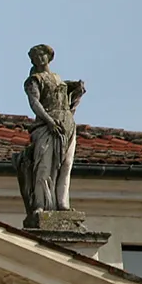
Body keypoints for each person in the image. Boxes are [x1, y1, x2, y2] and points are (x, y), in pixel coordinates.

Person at [17, 43, 85, 222]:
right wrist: (49, 121)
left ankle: (63, 204)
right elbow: (35, 103)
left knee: (66, 164)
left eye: (41, 55)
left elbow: (67, 103)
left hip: (68, 123)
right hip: (47, 126)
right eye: (35, 57)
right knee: (44, 165)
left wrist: (77, 93)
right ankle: (41, 204)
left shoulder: (58, 78)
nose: (39, 59)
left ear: (49, 57)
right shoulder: (34, 80)